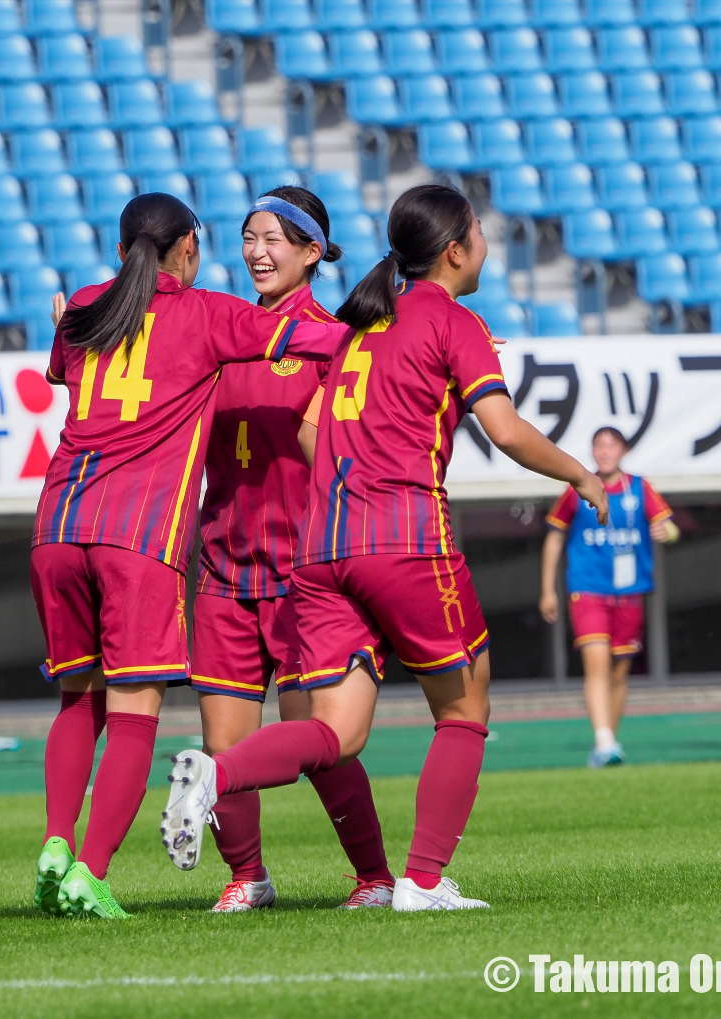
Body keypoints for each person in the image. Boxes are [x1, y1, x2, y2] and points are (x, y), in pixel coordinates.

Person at [159, 183, 609, 912]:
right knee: (464, 709)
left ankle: (220, 775)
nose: (485, 243)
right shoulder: (450, 320)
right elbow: (505, 429)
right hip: (401, 534)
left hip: (319, 552)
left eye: (271, 238)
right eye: (479, 232)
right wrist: (581, 474)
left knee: (335, 733)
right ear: (455, 250)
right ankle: (421, 882)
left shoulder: (361, 324)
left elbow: (311, 430)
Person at [31, 193, 352, 919]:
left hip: (57, 526)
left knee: (78, 700)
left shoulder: (82, 305)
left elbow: (63, 367)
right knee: (134, 714)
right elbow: (323, 341)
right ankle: (91, 871)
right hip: (136, 537)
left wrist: (66, 323)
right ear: (189, 251)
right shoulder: (207, 313)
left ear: (122, 253)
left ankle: (55, 839)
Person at [192, 186, 394, 913]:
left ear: (312, 252)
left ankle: (375, 879)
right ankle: (248, 876)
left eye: (272, 238)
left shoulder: (336, 342)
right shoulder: (222, 333)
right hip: (222, 571)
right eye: (248, 236)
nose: (256, 251)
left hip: (305, 577)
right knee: (224, 749)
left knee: (323, 743)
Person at [540, 427, 679, 768]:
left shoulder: (639, 487)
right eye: (598, 446)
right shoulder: (578, 487)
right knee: (597, 663)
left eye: (611, 446)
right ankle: (603, 740)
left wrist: (668, 532)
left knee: (619, 671)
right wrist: (547, 589)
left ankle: (608, 741)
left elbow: (670, 526)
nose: (604, 452)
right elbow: (554, 537)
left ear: (623, 451)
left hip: (629, 593)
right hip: (587, 588)